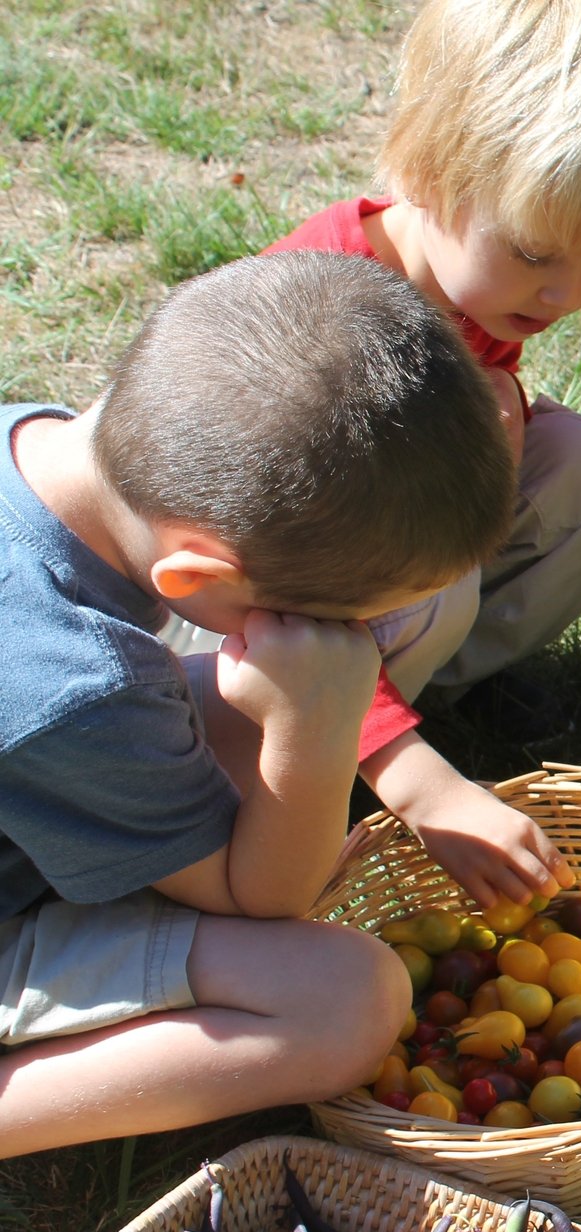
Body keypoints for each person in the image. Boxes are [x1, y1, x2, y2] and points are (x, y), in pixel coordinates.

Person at [162, 0, 581, 909]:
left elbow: (489, 396)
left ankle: (430, 700)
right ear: (430, 174)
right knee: (434, 577)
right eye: (537, 251)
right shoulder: (319, 341)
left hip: (362, 581)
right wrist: (417, 783)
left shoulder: (471, 286)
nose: (567, 292)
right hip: (225, 628)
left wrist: (507, 425)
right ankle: (330, 749)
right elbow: (258, 597)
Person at [0, 252, 516, 1157]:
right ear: (196, 575)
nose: (363, 638)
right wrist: (316, 729)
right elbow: (261, 901)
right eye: (335, 620)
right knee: (345, 1000)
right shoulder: (81, 683)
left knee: (233, 713)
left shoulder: (36, 444)